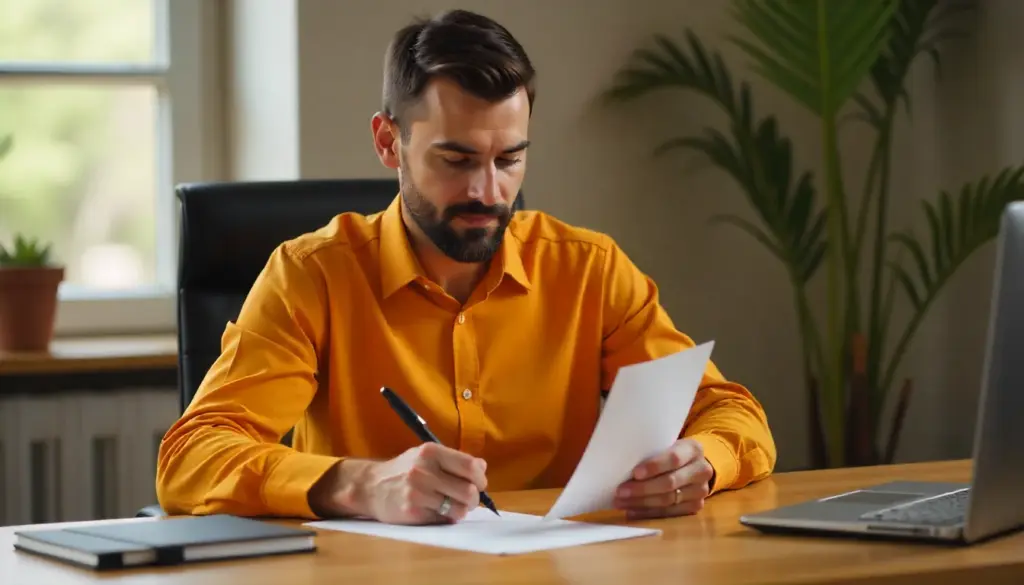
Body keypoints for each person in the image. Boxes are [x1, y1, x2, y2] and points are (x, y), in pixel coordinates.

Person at [155, 9, 776, 526]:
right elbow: (190, 458)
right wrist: (363, 485)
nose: (488, 190)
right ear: (387, 142)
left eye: (509, 159)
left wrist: (707, 459)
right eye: (456, 159)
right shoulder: (312, 275)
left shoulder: (590, 270)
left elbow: (733, 412)